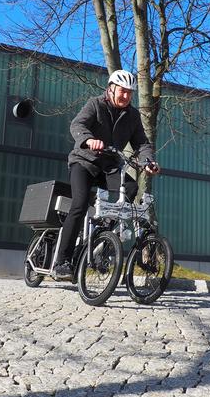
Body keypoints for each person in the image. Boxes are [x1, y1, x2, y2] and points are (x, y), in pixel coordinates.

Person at [52, 69, 160, 279]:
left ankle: (102, 236)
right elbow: (78, 124)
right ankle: (62, 261)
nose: (126, 96)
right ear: (111, 89)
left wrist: (149, 161)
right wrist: (88, 139)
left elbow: (142, 143)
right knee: (80, 204)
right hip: (84, 163)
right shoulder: (95, 104)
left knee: (130, 189)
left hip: (109, 167)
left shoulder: (133, 115)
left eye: (130, 93)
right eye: (123, 91)